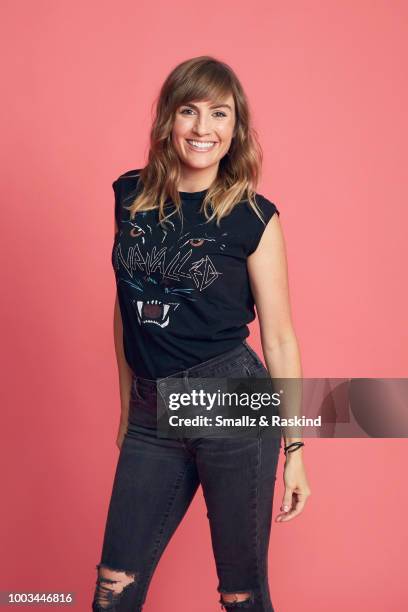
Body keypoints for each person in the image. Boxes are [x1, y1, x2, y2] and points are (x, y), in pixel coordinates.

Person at [92, 55, 311, 612]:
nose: (202, 128)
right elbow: (126, 306)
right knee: (113, 592)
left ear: (235, 129)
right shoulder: (129, 197)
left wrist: (297, 449)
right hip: (150, 414)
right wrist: (128, 405)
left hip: (229, 399)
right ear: (169, 119)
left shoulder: (254, 218)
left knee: (241, 595)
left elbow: (280, 339)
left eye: (220, 114)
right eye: (189, 111)